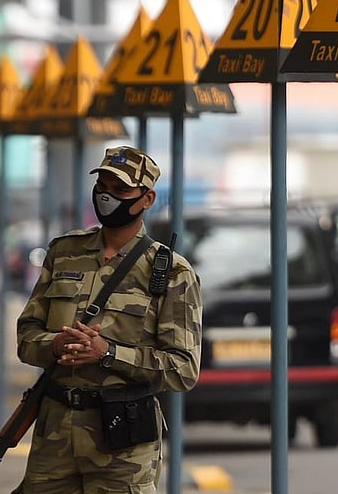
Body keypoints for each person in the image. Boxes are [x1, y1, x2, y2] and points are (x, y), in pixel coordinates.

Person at [14, 145, 202, 494]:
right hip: (55, 432)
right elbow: (26, 335)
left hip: (123, 440)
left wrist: (107, 353)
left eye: (120, 190)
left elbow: (183, 369)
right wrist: (55, 344)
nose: (106, 196)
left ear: (146, 199)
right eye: (102, 185)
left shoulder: (171, 271)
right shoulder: (64, 252)